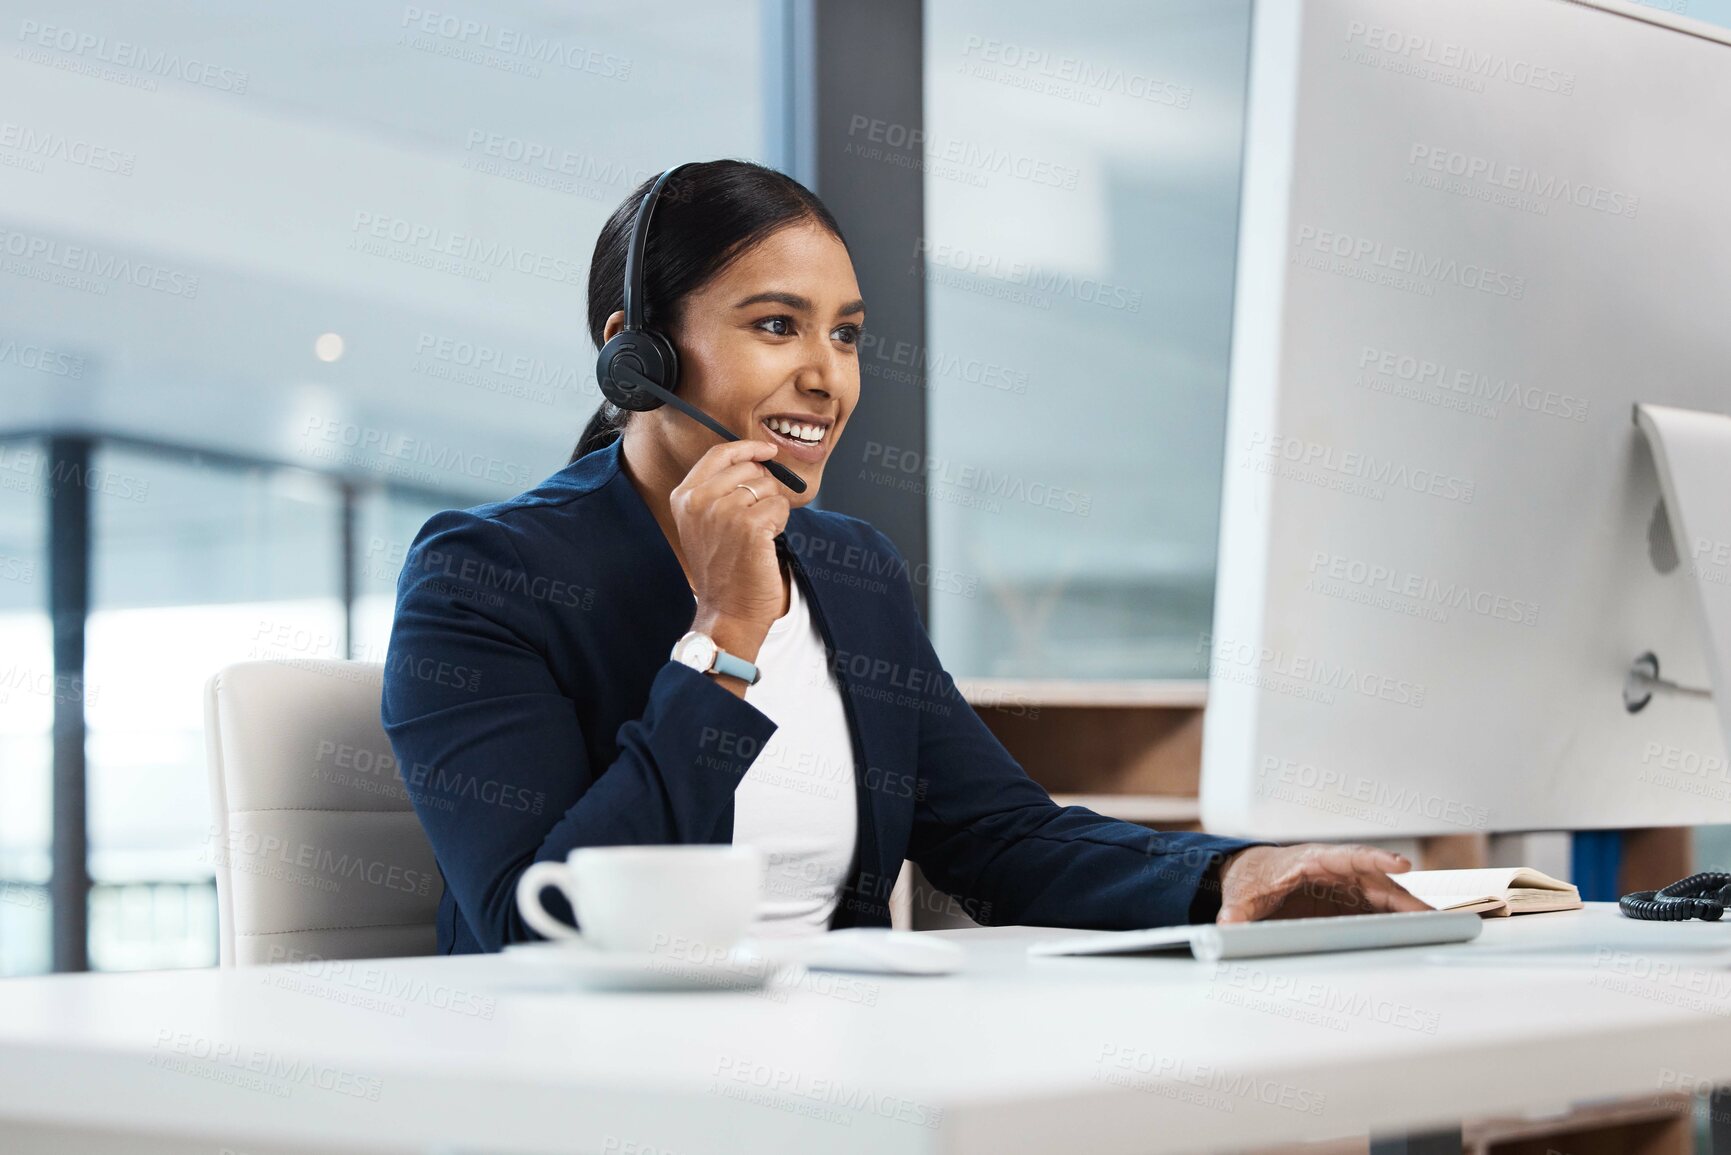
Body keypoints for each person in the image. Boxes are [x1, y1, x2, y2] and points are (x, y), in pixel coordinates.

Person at [381, 158, 1430, 954]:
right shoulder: (488, 577)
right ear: (639, 352)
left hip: (844, 1077)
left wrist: (1241, 871)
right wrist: (725, 634)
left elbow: (1004, 837)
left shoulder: (849, 569)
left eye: (845, 335)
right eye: (777, 326)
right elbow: (542, 926)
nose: (826, 377)